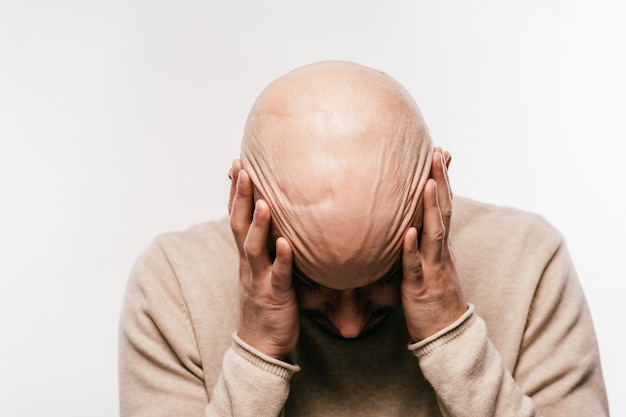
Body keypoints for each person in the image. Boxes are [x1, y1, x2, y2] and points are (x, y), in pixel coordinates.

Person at [118, 61, 609, 416]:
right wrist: (258, 349)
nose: (350, 326)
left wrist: (451, 332)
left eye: (386, 275)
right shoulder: (172, 285)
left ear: (435, 193)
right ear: (244, 211)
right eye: (309, 283)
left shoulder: (530, 261)